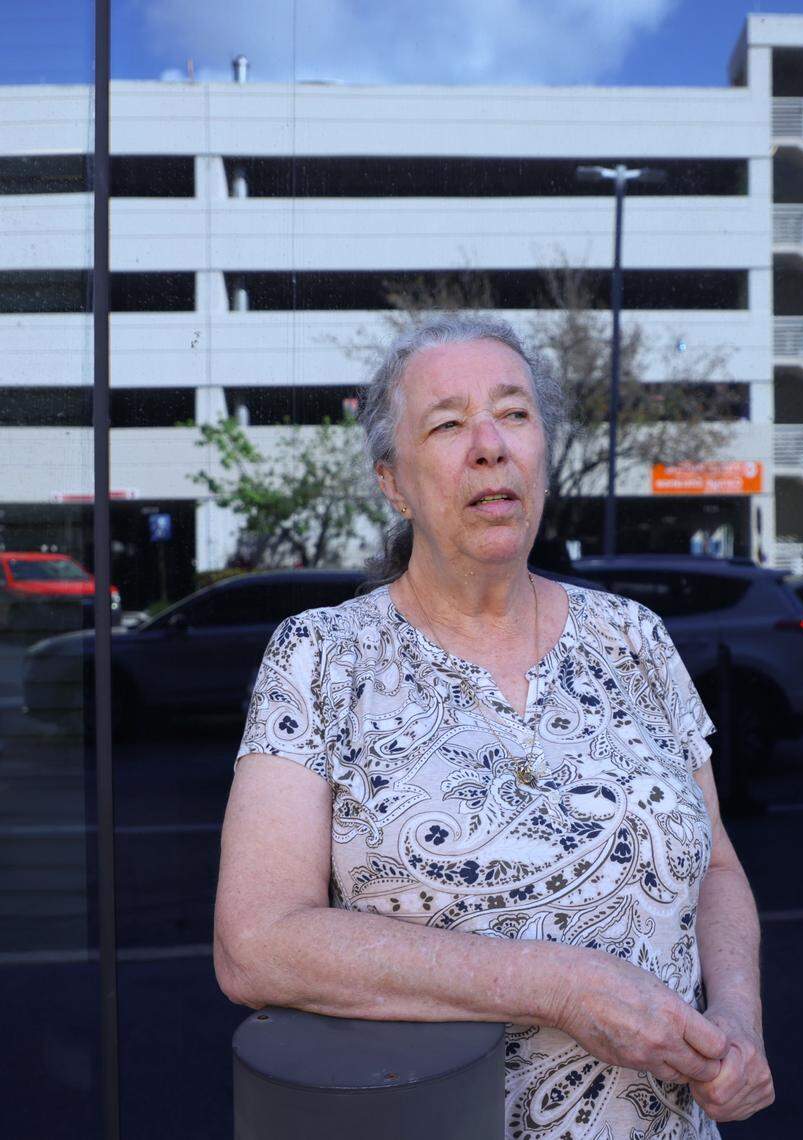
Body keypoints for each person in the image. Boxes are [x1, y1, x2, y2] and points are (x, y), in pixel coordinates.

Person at [213, 316, 774, 1136]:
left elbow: (717, 868)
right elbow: (255, 943)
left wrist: (739, 1020)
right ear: (393, 482)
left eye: (514, 414)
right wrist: (560, 986)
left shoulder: (634, 638)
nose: (489, 445)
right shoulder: (320, 656)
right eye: (447, 423)